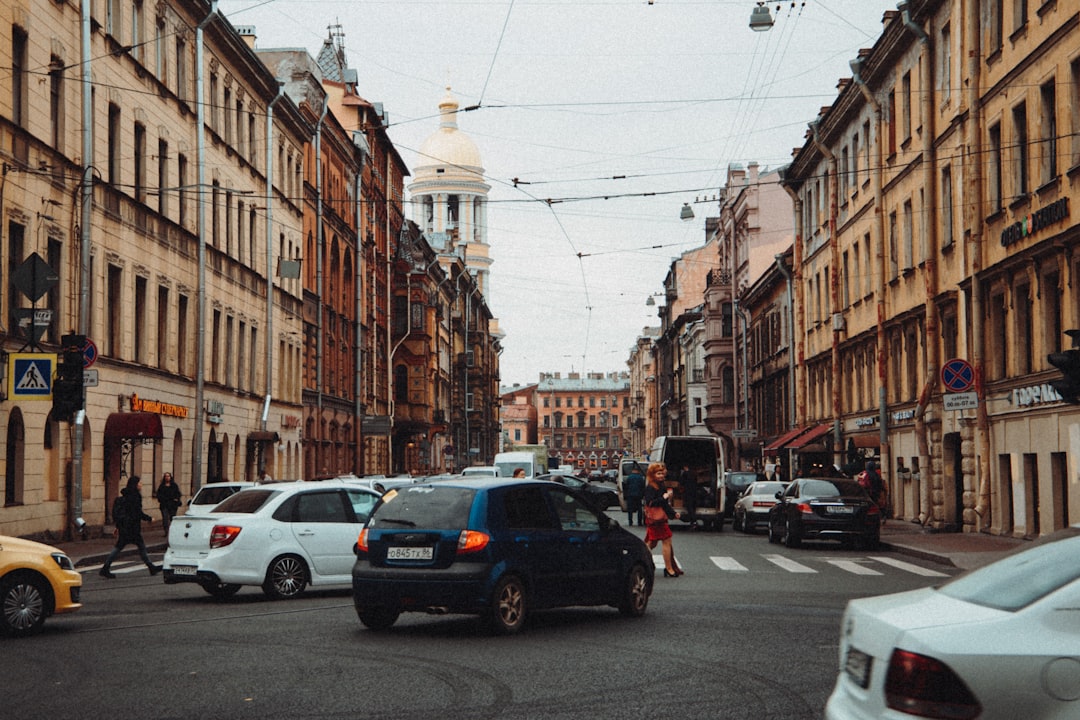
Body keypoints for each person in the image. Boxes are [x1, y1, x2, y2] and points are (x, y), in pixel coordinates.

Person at [100, 476, 161, 578]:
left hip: (125, 526)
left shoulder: (126, 495)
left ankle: (151, 567)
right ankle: (105, 568)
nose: (141, 485)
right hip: (132, 527)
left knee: (122, 547)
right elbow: (137, 512)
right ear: (136, 484)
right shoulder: (135, 496)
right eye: (140, 483)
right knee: (138, 547)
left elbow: (124, 513)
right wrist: (149, 518)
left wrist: (118, 527)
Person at [643, 463, 683, 577]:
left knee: (652, 542)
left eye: (662, 473)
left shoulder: (661, 486)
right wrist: (664, 497)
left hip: (659, 519)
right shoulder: (650, 487)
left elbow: (664, 505)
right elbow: (650, 503)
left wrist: (674, 514)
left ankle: (640, 559)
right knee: (665, 541)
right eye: (658, 473)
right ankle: (669, 568)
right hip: (655, 520)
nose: (661, 476)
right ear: (652, 475)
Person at [678, 464, 698, 529]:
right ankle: (693, 521)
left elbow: (681, 482)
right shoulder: (694, 473)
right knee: (693, 506)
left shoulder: (685, 473)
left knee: (689, 507)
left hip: (687, 492)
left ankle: (693, 520)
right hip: (694, 492)